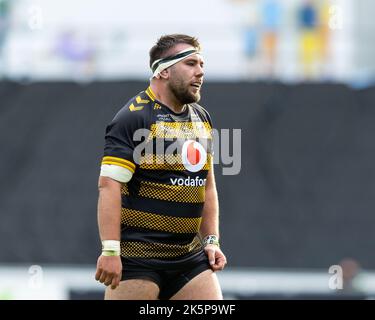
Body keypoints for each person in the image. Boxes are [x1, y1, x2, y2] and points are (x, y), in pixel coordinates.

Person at [95, 34, 227, 300]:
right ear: (164, 71)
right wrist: (110, 251)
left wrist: (211, 241)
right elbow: (109, 186)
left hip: (189, 259)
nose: (200, 72)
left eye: (202, 64)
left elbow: (207, 185)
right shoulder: (134, 117)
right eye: (191, 64)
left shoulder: (201, 117)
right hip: (139, 260)